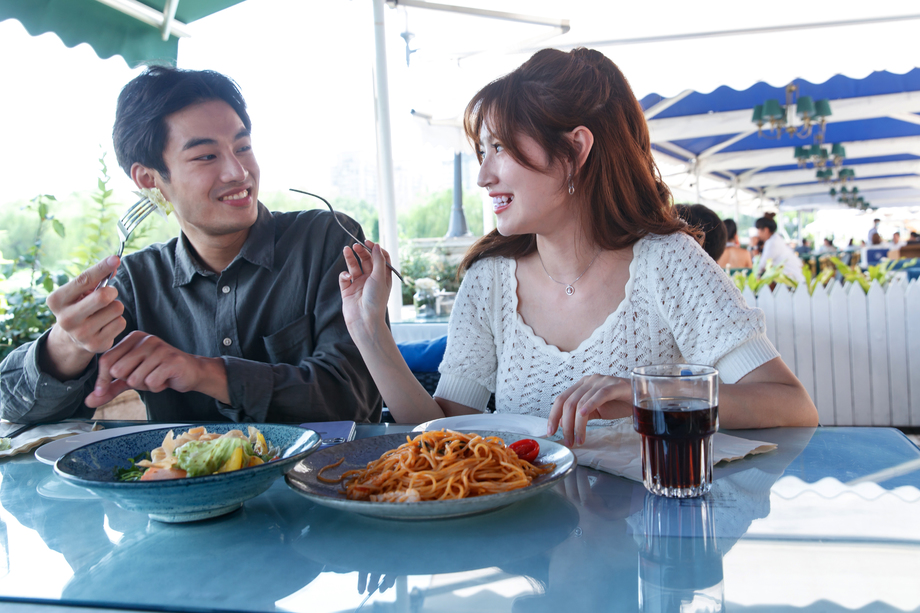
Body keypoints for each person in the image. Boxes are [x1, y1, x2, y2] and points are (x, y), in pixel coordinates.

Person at [338, 48, 818, 447]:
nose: (484, 176)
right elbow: (443, 431)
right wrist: (370, 332)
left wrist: (645, 395)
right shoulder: (489, 280)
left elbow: (791, 405)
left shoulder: (666, 262)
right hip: (529, 546)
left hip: (651, 543)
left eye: (501, 147)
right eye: (482, 152)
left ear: (576, 150)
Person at [0, 66, 382, 424]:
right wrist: (67, 345)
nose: (238, 172)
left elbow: (358, 398)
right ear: (150, 179)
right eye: (206, 156)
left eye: (243, 147)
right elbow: (13, 407)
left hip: (324, 487)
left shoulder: (326, 240)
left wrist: (204, 373)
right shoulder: (136, 283)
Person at [755, 213, 805, 283]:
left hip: (793, 281)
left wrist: (753, 246)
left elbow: (760, 267)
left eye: (758, 230)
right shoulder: (776, 238)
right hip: (795, 280)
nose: (757, 234)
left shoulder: (772, 243)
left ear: (766, 230)